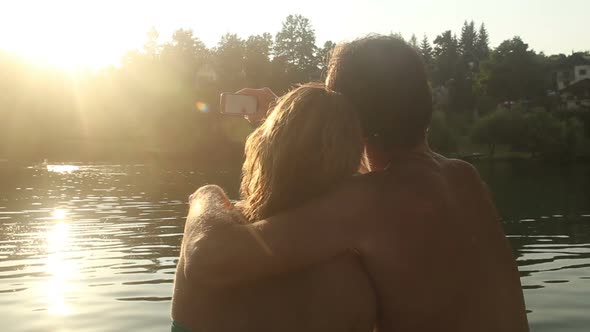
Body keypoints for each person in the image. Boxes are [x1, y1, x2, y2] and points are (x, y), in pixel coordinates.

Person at [182, 36, 530, 331]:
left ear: (347, 117)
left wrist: (206, 195)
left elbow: (207, 258)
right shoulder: (462, 176)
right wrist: (280, 109)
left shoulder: (368, 202)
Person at [171, 85, 376, 332]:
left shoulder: (212, 226)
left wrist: (206, 193)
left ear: (261, 147)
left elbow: (201, 250)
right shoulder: (356, 285)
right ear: (354, 160)